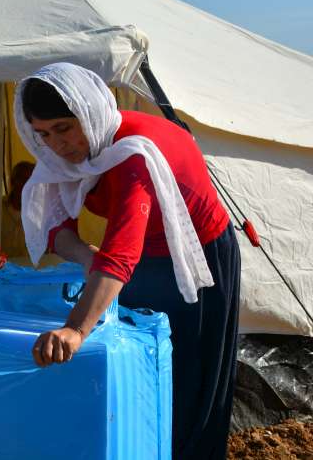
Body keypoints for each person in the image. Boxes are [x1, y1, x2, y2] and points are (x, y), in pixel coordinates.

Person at [14, 63, 240, 460]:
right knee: (143, 360)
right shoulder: (71, 153)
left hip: (196, 257)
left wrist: (75, 330)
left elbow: (120, 255)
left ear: (88, 111)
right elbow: (55, 225)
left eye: (64, 128)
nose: (57, 144)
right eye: (43, 134)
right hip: (142, 254)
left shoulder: (135, 155)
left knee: (188, 372)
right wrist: (87, 256)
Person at [0, 161, 35, 261]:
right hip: (2, 269)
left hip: (30, 270)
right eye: (24, 180)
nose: (28, 186)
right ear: (13, 182)